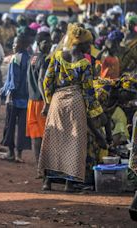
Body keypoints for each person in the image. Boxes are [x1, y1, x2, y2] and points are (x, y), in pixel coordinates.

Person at [39, 24, 106, 192]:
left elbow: (47, 82)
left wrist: (48, 101)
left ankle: (47, 181)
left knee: (53, 139)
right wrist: (98, 114)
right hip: (76, 103)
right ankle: (69, 184)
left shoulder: (57, 56)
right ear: (82, 44)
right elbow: (89, 94)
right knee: (74, 142)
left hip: (57, 102)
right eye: (88, 44)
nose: (89, 47)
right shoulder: (84, 63)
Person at [0, 34, 31, 163]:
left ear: (23, 45)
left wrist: (9, 92)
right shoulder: (29, 58)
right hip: (26, 98)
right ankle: (19, 154)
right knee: (22, 126)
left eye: (16, 43)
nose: (13, 46)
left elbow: (14, 79)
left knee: (10, 125)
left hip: (14, 97)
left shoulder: (15, 59)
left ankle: (11, 152)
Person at [26, 32, 52, 167]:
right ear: (39, 43)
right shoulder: (44, 59)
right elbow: (41, 79)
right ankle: (44, 166)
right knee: (43, 136)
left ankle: (38, 166)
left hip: (31, 100)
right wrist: (46, 101)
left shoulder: (33, 57)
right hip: (41, 101)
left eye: (50, 42)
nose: (49, 44)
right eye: (46, 42)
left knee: (35, 135)